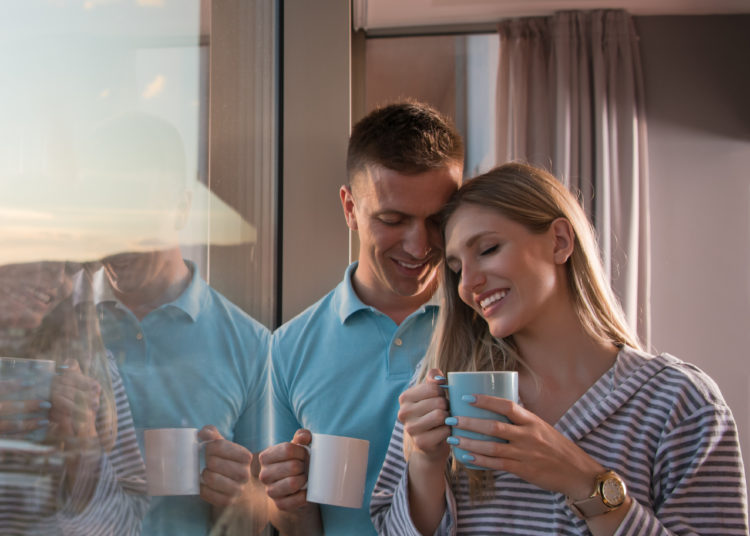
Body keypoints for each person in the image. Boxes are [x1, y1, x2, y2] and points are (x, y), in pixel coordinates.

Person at [370, 162, 749, 535]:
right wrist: (424, 462)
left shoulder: (680, 403)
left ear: (560, 241)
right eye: (455, 268)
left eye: (487, 249)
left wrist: (586, 483)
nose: (468, 283)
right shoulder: (440, 387)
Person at [258, 101, 464, 535]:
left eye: (438, 221)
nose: (418, 245)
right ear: (350, 208)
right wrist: (289, 504)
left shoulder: (489, 325)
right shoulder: (288, 350)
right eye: (392, 220)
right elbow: (301, 527)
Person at [81, 112, 270, 535]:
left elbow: (266, 513)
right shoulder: (54, 329)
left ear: (183, 208)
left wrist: (240, 498)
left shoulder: (252, 346)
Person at [0, 261, 148, 535]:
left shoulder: (94, 370)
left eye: (69, 267)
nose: (58, 279)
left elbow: (128, 529)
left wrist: (84, 452)